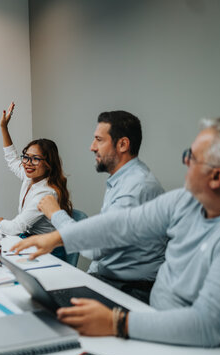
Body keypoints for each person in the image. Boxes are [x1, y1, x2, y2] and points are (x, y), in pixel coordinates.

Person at [11, 117, 220, 347]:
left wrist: (116, 322)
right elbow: (124, 223)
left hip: (190, 341)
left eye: (193, 158)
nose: (185, 162)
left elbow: (208, 325)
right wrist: (57, 237)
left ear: (216, 177)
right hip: (151, 317)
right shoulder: (185, 201)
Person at [37, 111, 165, 303]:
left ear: (122, 144)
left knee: (44, 308)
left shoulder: (136, 188)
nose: (92, 147)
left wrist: (56, 213)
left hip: (130, 290)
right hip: (109, 280)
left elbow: (96, 248)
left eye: (99, 140)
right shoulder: (122, 180)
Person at [0, 102, 72, 237]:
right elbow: (12, 159)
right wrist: (3, 127)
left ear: (48, 164)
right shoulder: (30, 178)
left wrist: (0, 222)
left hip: (48, 250)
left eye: (35, 159)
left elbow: (16, 228)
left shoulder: (46, 192)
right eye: (26, 157)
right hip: (30, 239)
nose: (28, 163)